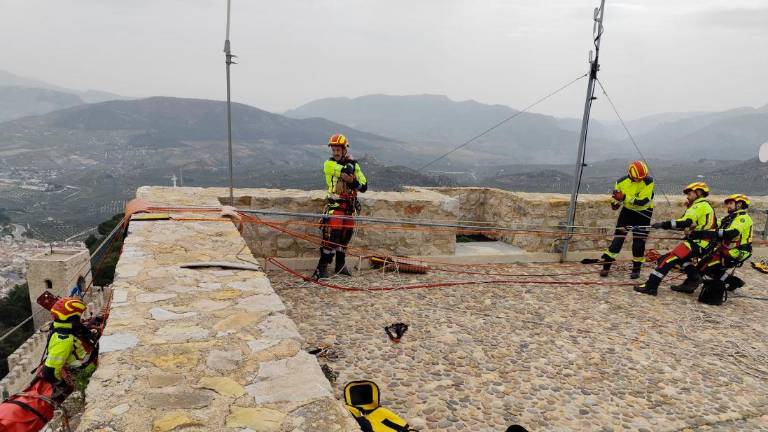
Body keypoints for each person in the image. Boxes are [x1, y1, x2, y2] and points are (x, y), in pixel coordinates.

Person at [634, 182, 716, 296]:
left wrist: (663, 224)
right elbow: (686, 224)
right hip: (703, 243)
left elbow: (684, 222)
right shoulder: (702, 206)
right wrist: (665, 225)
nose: (687, 196)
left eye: (689, 193)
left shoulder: (700, 205)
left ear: (699, 192)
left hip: (699, 243)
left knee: (668, 259)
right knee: (683, 260)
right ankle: (694, 279)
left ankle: (651, 286)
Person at [672, 194, 753, 293]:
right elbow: (713, 225)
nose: (728, 206)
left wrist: (703, 233)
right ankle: (734, 281)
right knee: (712, 270)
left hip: (738, 251)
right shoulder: (729, 218)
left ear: (739, 204)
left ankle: (689, 286)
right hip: (727, 249)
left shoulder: (743, 218)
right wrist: (694, 227)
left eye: (731, 203)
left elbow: (731, 233)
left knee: (704, 264)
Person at [313, 133, 368, 279]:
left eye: (338, 150)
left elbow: (364, 186)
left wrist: (352, 179)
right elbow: (346, 173)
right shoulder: (329, 164)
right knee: (332, 237)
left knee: (345, 238)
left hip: (349, 208)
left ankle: (340, 265)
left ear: (344, 150)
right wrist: (352, 174)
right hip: (336, 206)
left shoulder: (354, 164)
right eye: (334, 150)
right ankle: (322, 267)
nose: (335, 152)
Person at [597, 160, 654, 279]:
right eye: (639, 178)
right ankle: (606, 266)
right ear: (631, 175)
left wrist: (624, 197)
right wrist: (615, 202)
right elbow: (615, 204)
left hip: (644, 213)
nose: (641, 180)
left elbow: (643, 201)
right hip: (627, 212)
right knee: (618, 239)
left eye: (643, 177)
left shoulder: (648, 181)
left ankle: (636, 269)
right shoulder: (621, 182)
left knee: (639, 242)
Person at [42, 297, 92, 385]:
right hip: (82, 372)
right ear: (72, 319)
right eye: (77, 317)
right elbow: (49, 372)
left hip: (83, 364)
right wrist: (62, 383)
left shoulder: (64, 329)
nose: (79, 320)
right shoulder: (64, 339)